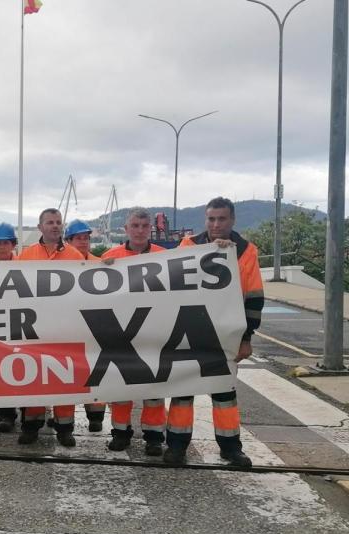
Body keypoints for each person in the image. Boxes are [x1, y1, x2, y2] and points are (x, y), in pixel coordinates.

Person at [164, 197, 262, 468]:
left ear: (232, 220)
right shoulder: (189, 246)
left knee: (224, 395)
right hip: (188, 329)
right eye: (211, 219)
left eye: (221, 219)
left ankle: (231, 448)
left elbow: (254, 298)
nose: (216, 224)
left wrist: (247, 339)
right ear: (205, 220)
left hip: (225, 333)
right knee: (183, 392)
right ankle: (176, 446)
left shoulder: (245, 251)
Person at [101, 208, 167, 456]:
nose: (140, 230)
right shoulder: (110, 257)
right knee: (120, 389)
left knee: (154, 390)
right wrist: (101, 268)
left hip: (153, 334)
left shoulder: (165, 257)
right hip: (120, 334)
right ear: (126, 229)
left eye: (143, 226)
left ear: (150, 228)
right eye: (135, 226)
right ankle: (120, 433)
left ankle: (153, 437)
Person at [17, 208, 84, 447]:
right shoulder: (26, 256)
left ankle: (65, 429)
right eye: (50, 222)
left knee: (65, 377)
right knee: (35, 378)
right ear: (40, 227)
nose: (55, 226)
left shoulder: (76, 256)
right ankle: (31, 427)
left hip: (66, 328)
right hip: (35, 330)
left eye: (58, 222)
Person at [63, 219, 106, 433]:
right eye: (78, 238)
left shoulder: (101, 263)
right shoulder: (60, 265)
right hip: (68, 327)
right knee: (69, 375)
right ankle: (64, 423)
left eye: (86, 238)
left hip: (94, 328)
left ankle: (96, 417)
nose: (83, 241)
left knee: (96, 373)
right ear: (68, 241)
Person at [0, 222, 20, 432]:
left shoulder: (25, 266)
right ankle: (1, 411)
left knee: (14, 368)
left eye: (6, 242)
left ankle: (10, 413)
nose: (2, 246)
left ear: (13, 244)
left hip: (18, 324)